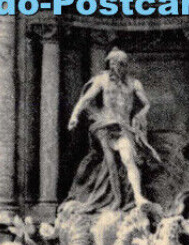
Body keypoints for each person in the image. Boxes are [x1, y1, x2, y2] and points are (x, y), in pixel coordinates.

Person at [67, 48, 157, 210]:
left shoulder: (134, 84)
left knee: (128, 157)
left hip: (123, 128)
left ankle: (138, 197)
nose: (115, 67)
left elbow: (147, 104)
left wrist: (140, 115)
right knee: (110, 161)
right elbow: (86, 99)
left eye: (119, 64)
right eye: (112, 63)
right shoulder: (102, 80)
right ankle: (116, 198)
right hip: (105, 126)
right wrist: (74, 116)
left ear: (125, 65)